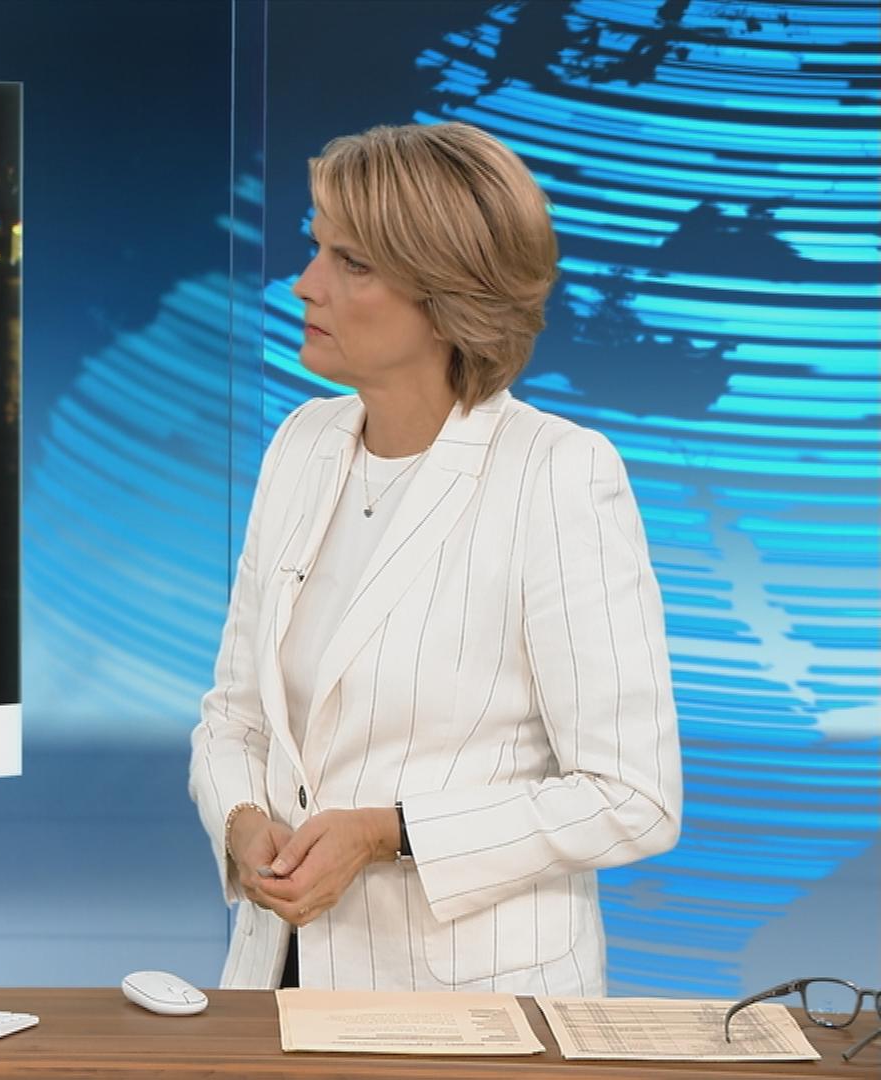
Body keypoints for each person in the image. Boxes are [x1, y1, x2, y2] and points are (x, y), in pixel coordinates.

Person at [188, 121, 681, 995]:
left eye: (352, 263)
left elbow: (631, 796)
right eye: (317, 248)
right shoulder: (302, 444)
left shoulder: (558, 473)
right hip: (275, 981)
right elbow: (235, 716)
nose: (305, 284)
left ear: (449, 298)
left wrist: (391, 833)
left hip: (477, 1007)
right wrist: (242, 820)